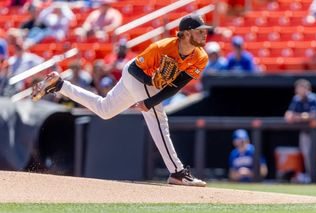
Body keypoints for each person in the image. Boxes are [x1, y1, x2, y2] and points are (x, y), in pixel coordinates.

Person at [31, 14, 212, 187]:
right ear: (186, 33)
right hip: (136, 76)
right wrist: (150, 86)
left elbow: (177, 85)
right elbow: (134, 69)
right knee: (158, 119)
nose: (205, 33)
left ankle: (60, 85)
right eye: (200, 30)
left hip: (152, 85)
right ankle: (177, 172)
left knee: (105, 110)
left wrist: (149, 101)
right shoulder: (161, 47)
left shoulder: (201, 56)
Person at [284, 79, 316, 182]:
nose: (298, 90)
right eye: (297, 88)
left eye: (301, 88)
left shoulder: (313, 98)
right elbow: (289, 113)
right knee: (307, 155)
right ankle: (313, 178)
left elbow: (313, 115)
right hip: (305, 132)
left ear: (307, 88)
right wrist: (289, 115)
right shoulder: (296, 99)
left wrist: (298, 117)